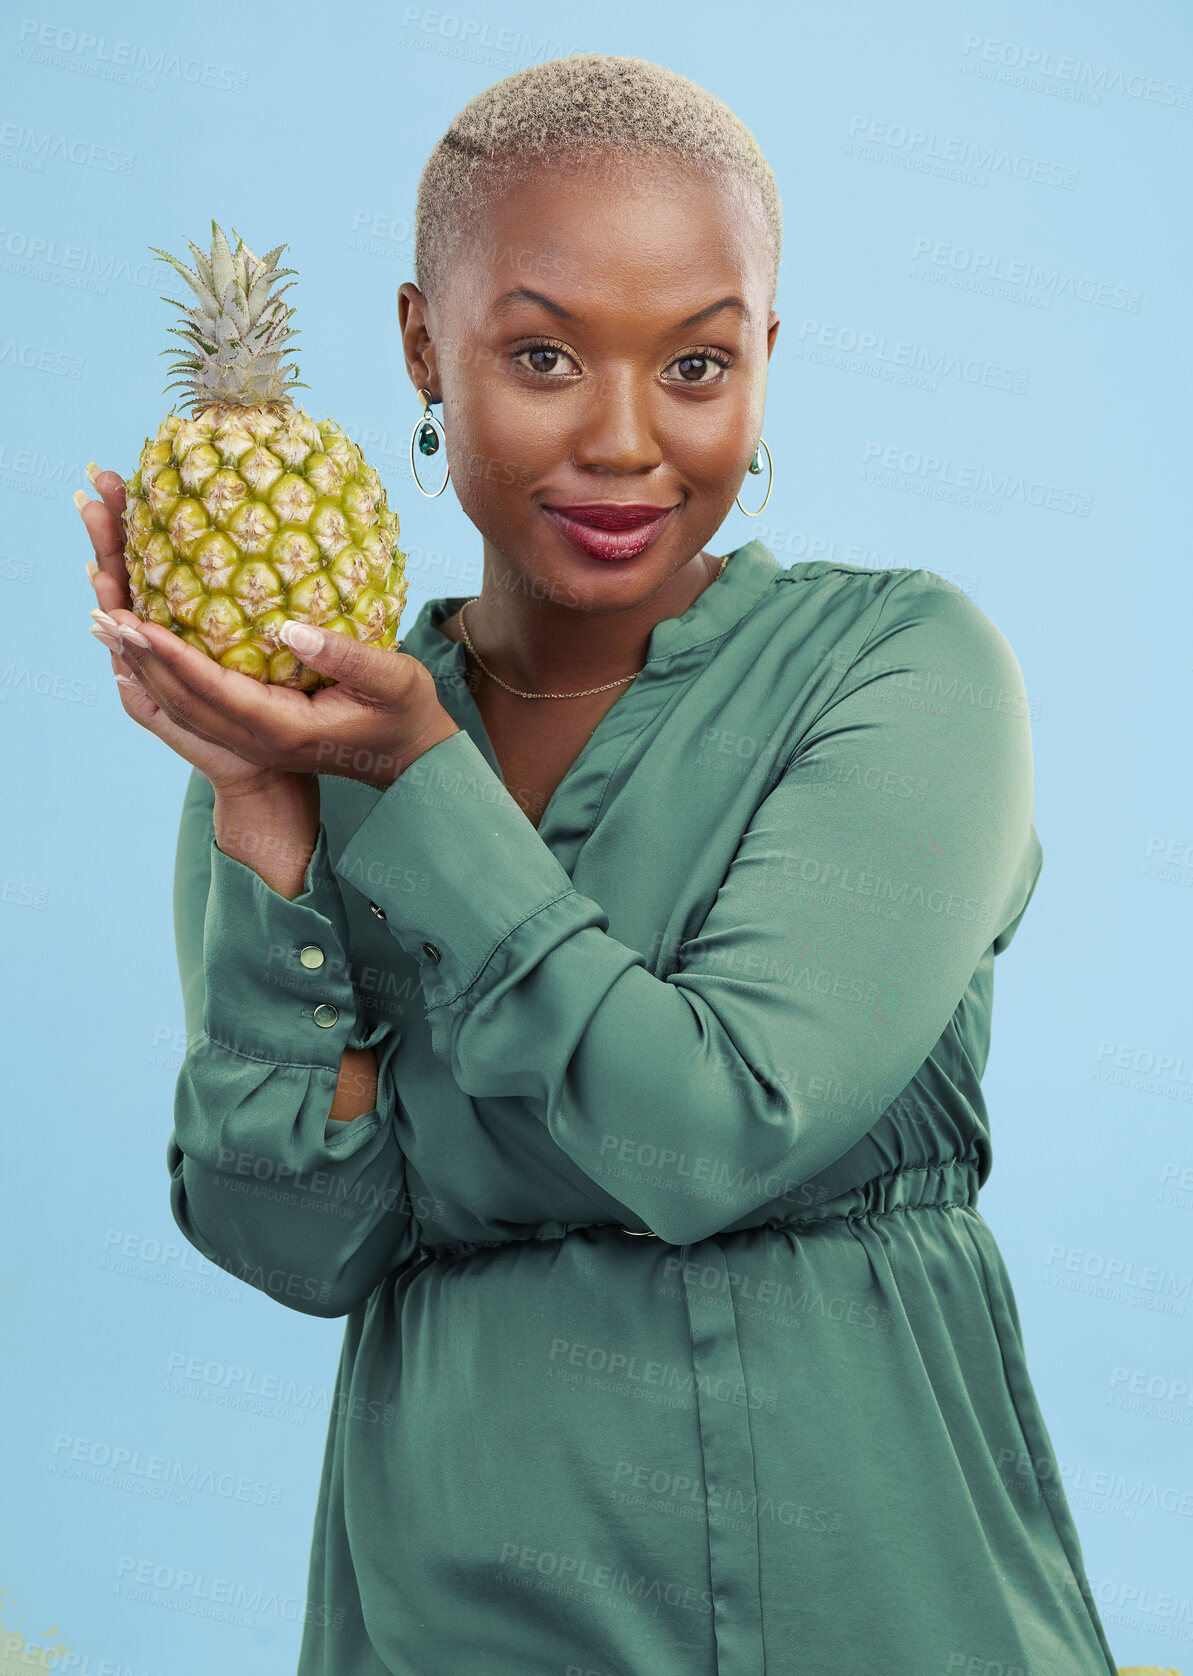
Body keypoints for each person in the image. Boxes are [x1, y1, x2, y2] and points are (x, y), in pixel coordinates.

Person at [78, 52, 1121, 1676]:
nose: (626, 441)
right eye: (545, 354)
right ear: (425, 345)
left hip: (864, 1606)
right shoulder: (317, 729)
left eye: (696, 365)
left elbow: (713, 1132)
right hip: (449, 1611)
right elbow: (297, 1243)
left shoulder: (901, 673)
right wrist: (266, 830)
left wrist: (417, 786)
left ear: (764, 357)